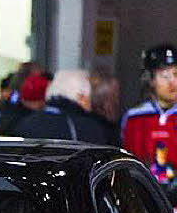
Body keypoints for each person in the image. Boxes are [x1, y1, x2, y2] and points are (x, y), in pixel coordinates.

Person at [121, 44, 177, 203]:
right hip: (143, 200)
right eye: (164, 76)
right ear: (150, 79)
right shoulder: (134, 118)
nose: (172, 82)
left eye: (176, 74)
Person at [13, 69, 113, 145]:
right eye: (88, 97)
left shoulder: (25, 123)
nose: (90, 103)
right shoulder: (88, 128)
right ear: (81, 97)